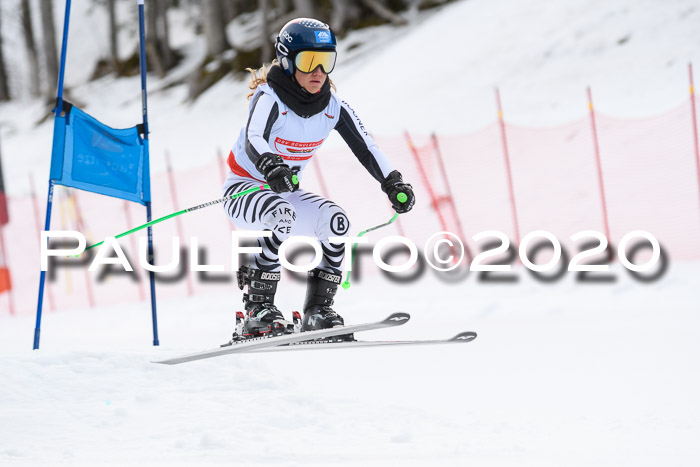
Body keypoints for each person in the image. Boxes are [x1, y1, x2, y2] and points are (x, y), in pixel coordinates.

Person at [222, 18, 415, 339]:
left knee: (336, 221)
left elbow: (367, 148)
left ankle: (318, 311)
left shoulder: (332, 107)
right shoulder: (270, 97)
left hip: (284, 195)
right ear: (286, 61)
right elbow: (253, 137)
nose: (318, 72)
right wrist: (271, 165)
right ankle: (257, 309)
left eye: (326, 61)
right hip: (243, 191)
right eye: (309, 61)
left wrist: (392, 182)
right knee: (281, 214)